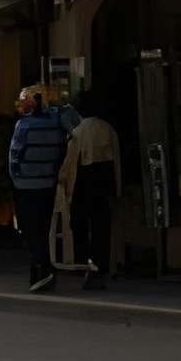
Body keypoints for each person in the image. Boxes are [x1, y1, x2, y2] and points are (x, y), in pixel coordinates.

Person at [3, 88, 72, 291]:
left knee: (29, 228)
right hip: (48, 183)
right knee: (43, 227)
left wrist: (15, 177)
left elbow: (14, 156)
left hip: (25, 185)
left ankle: (42, 267)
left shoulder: (23, 125)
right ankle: (41, 269)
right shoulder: (55, 123)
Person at [60, 100, 121, 288]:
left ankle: (82, 262)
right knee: (101, 226)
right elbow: (117, 161)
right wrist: (117, 188)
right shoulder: (108, 129)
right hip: (104, 179)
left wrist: (63, 184)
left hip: (83, 181)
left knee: (78, 224)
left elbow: (70, 164)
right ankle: (100, 265)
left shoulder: (78, 131)